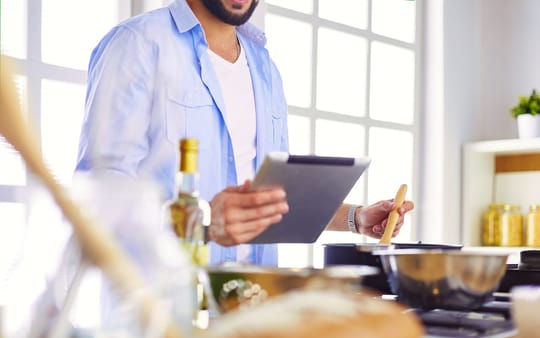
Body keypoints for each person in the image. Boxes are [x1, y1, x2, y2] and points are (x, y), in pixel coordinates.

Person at [76, 0, 414, 266]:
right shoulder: (137, 44)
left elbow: (273, 200)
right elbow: (98, 196)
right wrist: (202, 221)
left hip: (252, 304)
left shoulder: (265, 66)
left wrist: (356, 219)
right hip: (159, 312)